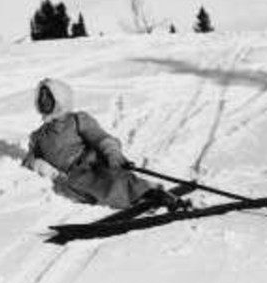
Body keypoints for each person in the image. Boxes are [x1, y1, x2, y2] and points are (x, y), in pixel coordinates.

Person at [22, 78, 187, 210]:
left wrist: (113, 153)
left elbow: (100, 138)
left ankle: (152, 194)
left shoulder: (77, 119)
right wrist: (43, 167)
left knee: (113, 177)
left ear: (60, 98)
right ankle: (139, 195)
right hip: (72, 175)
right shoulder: (38, 136)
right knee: (86, 186)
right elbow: (30, 160)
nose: (44, 100)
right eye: (41, 96)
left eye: (48, 96)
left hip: (93, 161)